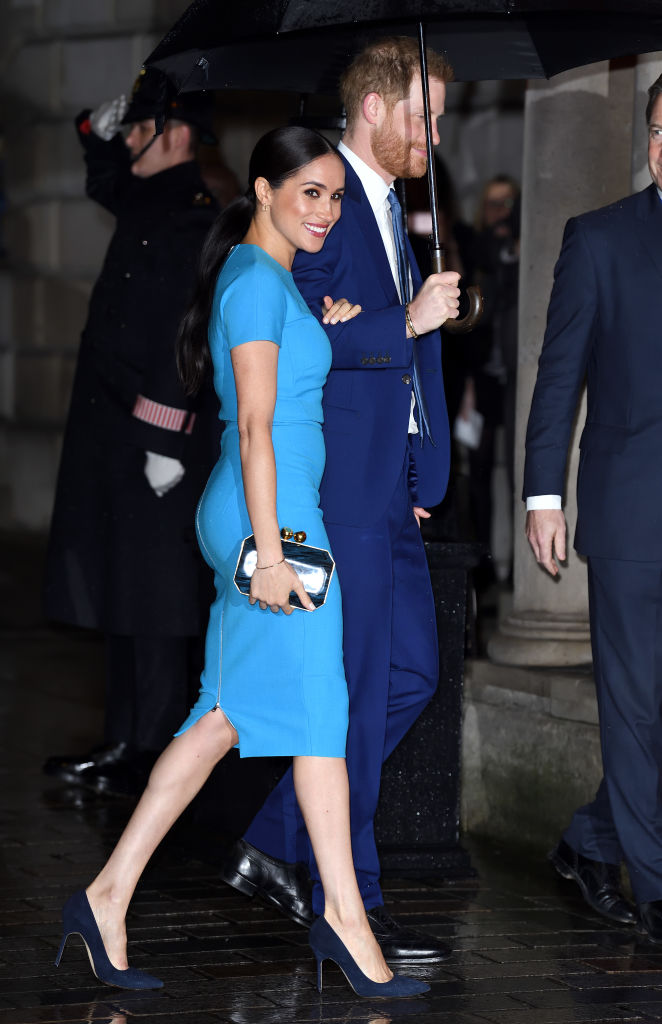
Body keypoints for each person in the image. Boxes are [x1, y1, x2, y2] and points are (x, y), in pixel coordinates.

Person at [54, 125, 430, 999]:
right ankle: (344, 920)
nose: (327, 212)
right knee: (323, 715)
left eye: (337, 197)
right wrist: (267, 550)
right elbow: (258, 426)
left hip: (262, 512)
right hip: (277, 519)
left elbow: (289, 387)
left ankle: (104, 898)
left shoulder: (272, 284)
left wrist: (346, 324)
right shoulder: (258, 286)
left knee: (221, 718)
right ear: (263, 190)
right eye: (310, 193)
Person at [220, 37, 460, 963]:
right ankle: (343, 897)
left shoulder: (398, 208)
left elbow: (388, 349)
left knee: (410, 677)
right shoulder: (323, 200)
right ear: (372, 110)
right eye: (425, 114)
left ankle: (278, 841)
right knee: (357, 691)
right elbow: (304, 328)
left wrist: (416, 464)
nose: (436, 132)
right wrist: (401, 322)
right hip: (334, 486)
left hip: (390, 486)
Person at [43, 70, 220, 795]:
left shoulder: (195, 211)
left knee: (156, 599)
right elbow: (106, 176)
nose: (129, 145)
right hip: (116, 426)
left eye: (140, 130)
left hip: (159, 435)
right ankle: (125, 740)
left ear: (173, 133)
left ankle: (152, 751)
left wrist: (164, 431)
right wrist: (98, 128)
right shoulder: (149, 196)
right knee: (122, 587)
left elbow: (189, 332)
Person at [523, 74, 662, 943]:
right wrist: (544, 493)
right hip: (631, 512)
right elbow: (557, 376)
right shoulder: (601, 240)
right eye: (659, 129)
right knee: (638, 706)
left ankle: (589, 839)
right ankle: (656, 884)